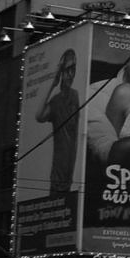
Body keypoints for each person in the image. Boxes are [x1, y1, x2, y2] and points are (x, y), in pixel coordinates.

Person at [36, 48, 81, 195]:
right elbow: (39, 116)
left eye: (72, 70)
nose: (70, 75)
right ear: (61, 73)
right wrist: (52, 85)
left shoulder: (76, 96)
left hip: (70, 179)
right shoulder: (56, 101)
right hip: (57, 180)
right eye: (67, 70)